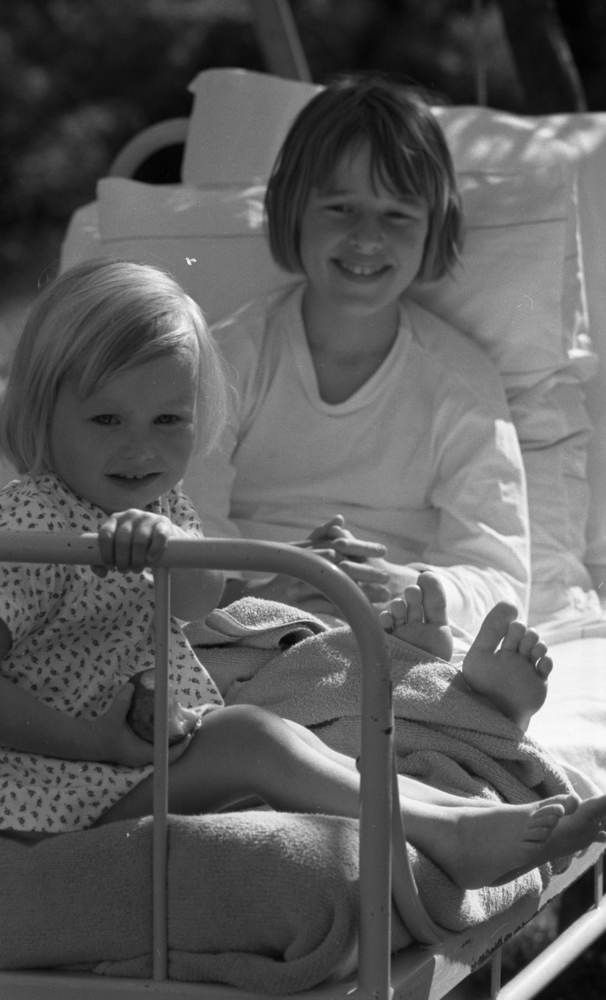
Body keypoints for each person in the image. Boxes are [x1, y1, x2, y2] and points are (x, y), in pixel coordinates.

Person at [0, 260, 604, 903]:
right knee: (252, 737)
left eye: (168, 420)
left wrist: (169, 549)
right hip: (53, 795)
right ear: (43, 412)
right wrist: (92, 740)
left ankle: (470, 816)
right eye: (106, 420)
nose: (141, 449)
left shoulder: (161, 505)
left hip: (139, 762)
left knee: (292, 736)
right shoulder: (32, 523)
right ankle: (447, 835)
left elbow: (198, 601)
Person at [184, 73, 530, 640]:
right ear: (293, 211)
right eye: (341, 207)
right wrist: (264, 594)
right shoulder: (228, 358)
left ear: (435, 226)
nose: (367, 237)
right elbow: (186, 531)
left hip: (394, 631)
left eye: (397, 214)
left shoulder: (461, 381)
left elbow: (500, 575)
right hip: (248, 622)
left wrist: (405, 588)